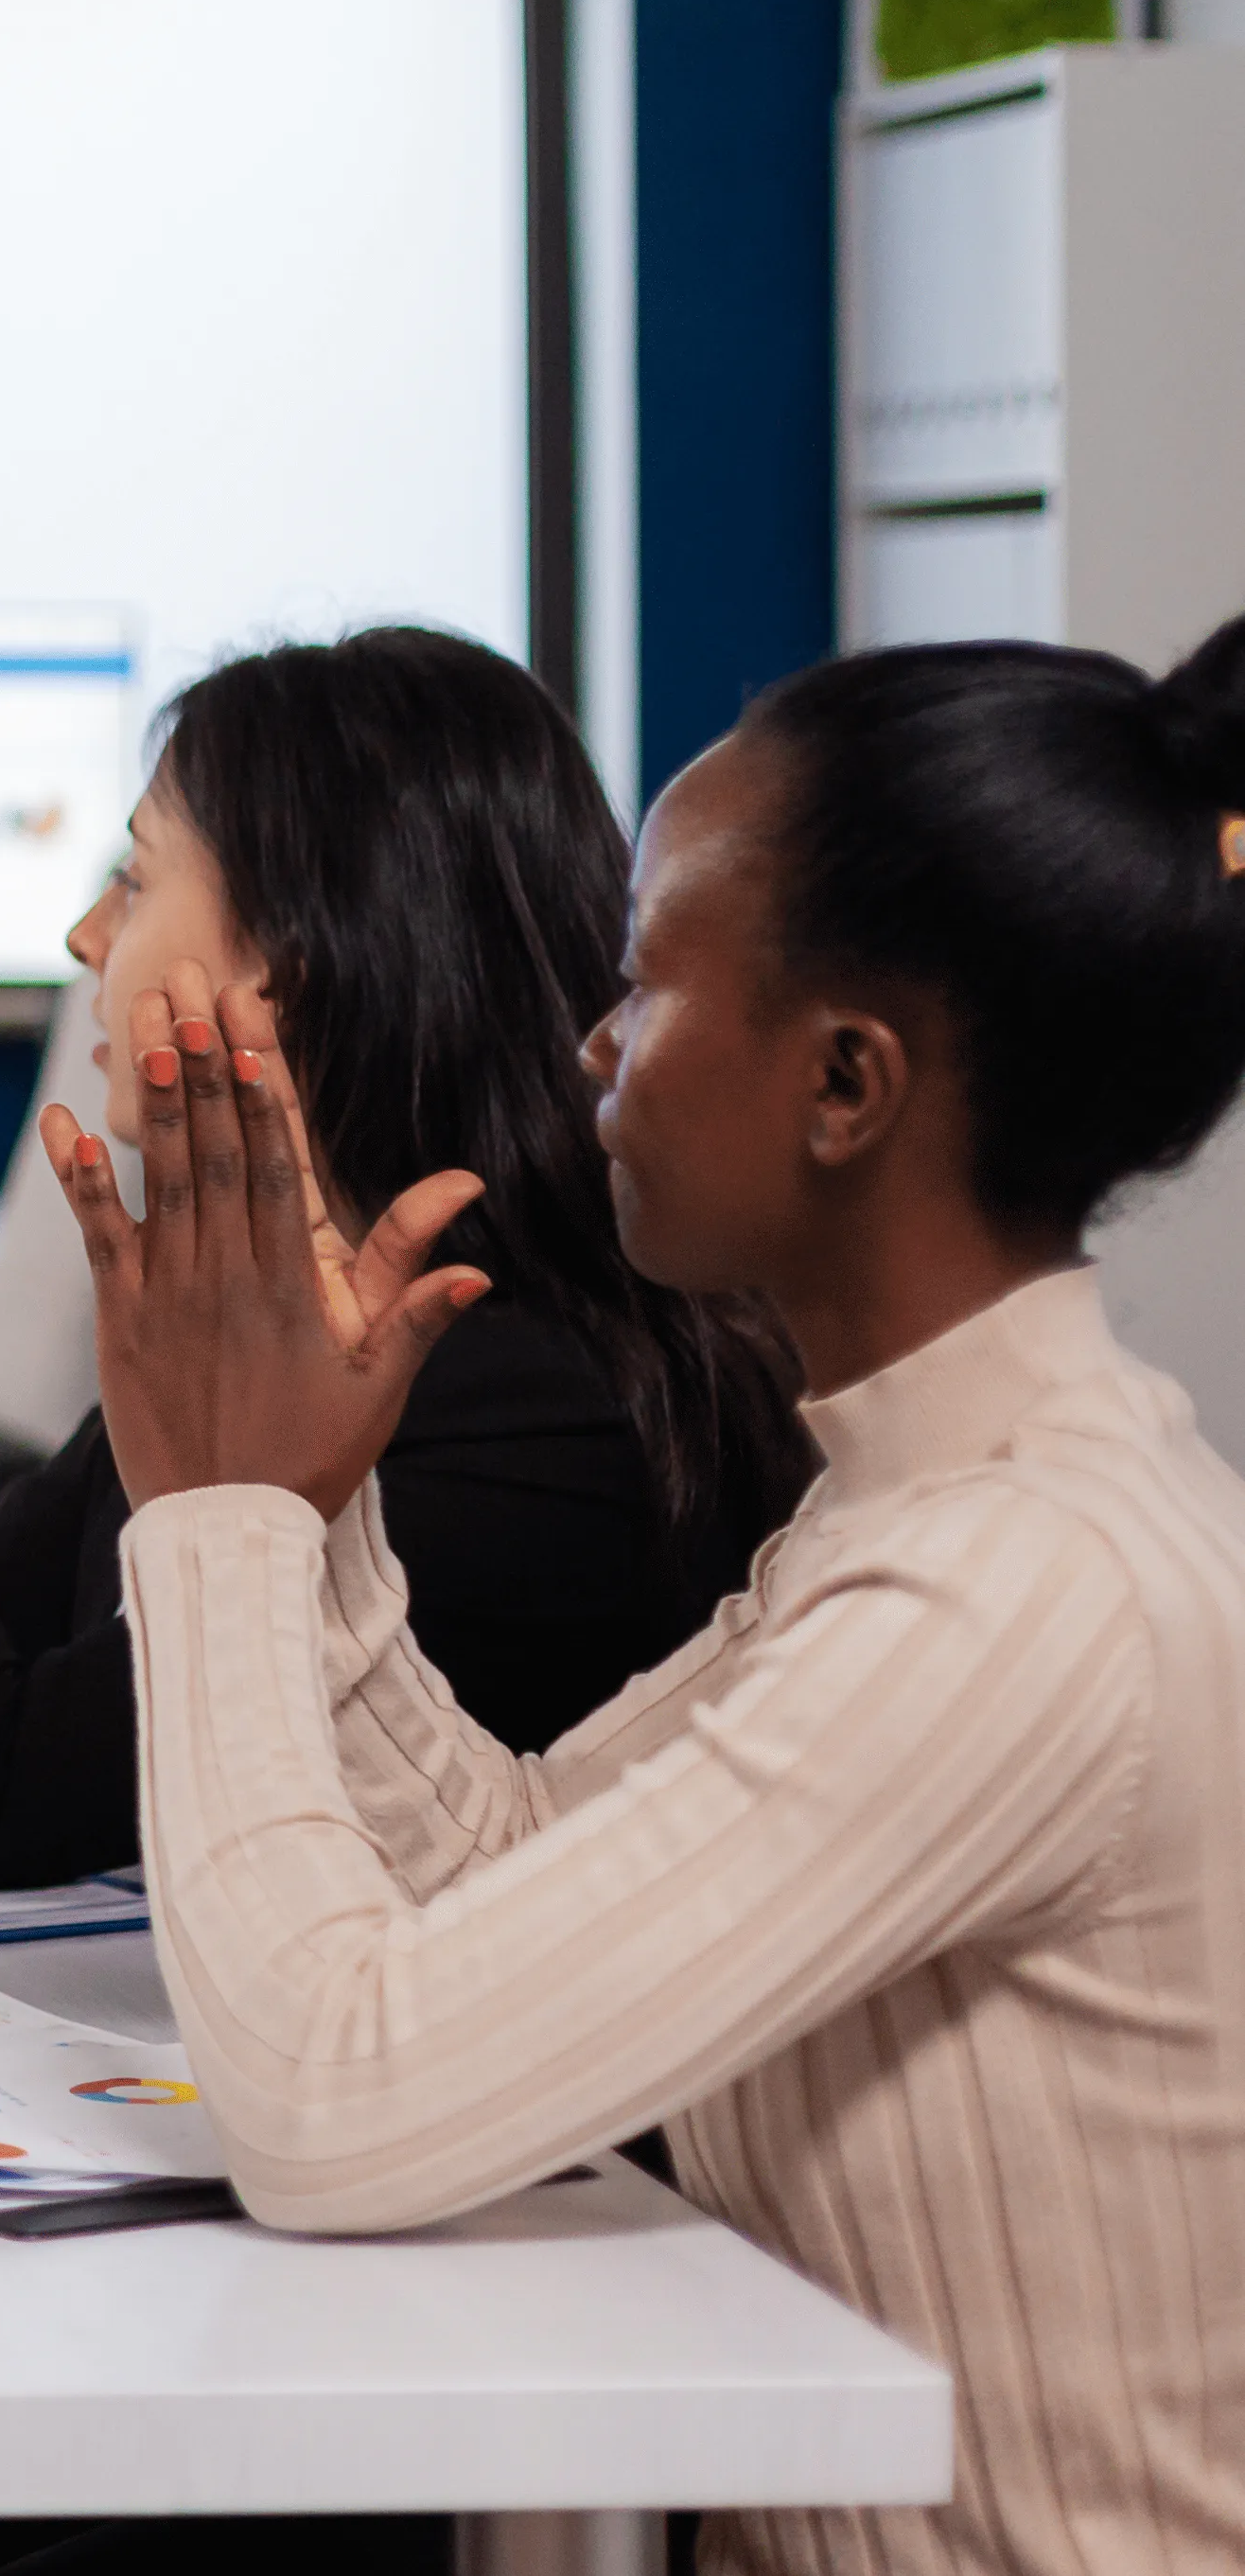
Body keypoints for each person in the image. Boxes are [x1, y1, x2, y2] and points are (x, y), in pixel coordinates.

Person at [72, 616, 1245, 2576]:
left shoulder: (1010, 1595)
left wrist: (210, 1521)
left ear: (845, 1081)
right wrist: (316, 1512)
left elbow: (327, 2109)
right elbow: (511, 1863)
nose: (590, 1046)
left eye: (641, 982)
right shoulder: (926, 1514)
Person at [0, 628, 808, 1889]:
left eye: (131, 880)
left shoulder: (526, 1397)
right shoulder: (261, 1324)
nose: (85, 938)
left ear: (286, 967)